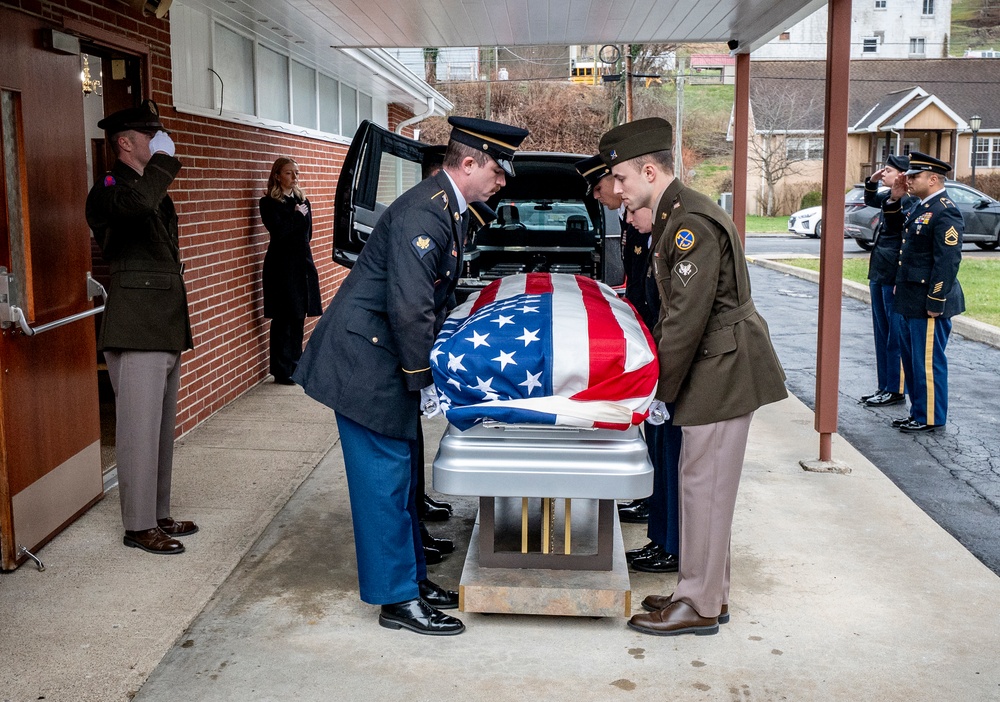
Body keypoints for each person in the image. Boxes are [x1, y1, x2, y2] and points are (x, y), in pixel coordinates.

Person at [293, 116, 528, 636]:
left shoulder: (450, 207)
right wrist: (425, 379)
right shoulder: (427, 212)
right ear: (467, 163)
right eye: (497, 170)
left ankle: (413, 580)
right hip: (364, 364)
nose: (503, 181)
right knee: (383, 482)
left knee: (401, 478)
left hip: (380, 357)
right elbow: (410, 308)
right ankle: (396, 599)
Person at [598, 117, 787, 636]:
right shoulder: (677, 216)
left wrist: (655, 389)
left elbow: (685, 319)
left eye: (622, 179)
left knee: (703, 486)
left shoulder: (689, 225)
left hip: (721, 367)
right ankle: (705, 591)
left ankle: (699, 605)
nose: (618, 190)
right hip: (715, 364)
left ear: (651, 171)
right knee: (706, 487)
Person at [85, 100, 197, 555]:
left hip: (163, 322)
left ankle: (157, 513)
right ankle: (138, 526)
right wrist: (166, 163)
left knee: (159, 429)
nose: (161, 142)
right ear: (125, 142)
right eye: (151, 137)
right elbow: (136, 206)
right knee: (136, 431)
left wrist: (160, 167)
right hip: (136, 327)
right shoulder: (111, 188)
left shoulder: (147, 186)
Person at [574, 154, 653, 525]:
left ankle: (655, 506)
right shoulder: (629, 216)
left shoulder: (644, 215)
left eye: (599, 185)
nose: (597, 193)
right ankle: (651, 503)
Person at [621, 206, 682, 575]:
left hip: (672, 369)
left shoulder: (675, 235)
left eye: (632, 210)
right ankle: (660, 539)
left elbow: (678, 316)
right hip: (657, 363)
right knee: (659, 454)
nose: (628, 219)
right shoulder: (650, 235)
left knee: (673, 461)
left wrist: (663, 382)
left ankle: (673, 547)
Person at [888, 152, 965, 433]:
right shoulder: (921, 206)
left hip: (928, 301)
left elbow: (947, 260)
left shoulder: (946, 210)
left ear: (933, 179)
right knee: (912, 360)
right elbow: (898, 234)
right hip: (911, 299)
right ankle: (918, 411)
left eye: (915, 176)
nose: (908, 180)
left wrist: (936, 298)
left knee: (928, 362)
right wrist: (895, 196)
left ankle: (931, 416)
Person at [258, 158, 322, 385]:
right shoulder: (268, 203)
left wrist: (297, 215)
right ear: (277, 175)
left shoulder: (303, 201)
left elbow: (308, 234)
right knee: (283, 318)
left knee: (298, 318)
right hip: (280, 267)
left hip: (301, 264)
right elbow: (279, 232)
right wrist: (294, 216)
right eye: (289, 173)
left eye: (296, 173)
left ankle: (296, 366)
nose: (294, 177)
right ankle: (281, 370)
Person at [858, 154, 913, 407]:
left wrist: (895, 198)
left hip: (893, 274)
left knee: (894, 335)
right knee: (881, 334)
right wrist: (871, 181)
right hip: (879, 271)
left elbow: (899, 230)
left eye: (888, 171)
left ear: (903, 176)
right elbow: (870, 199)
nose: (884, 174)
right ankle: (884, 385)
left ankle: (896, 388)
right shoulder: (890, 197)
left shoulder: (910, 202)